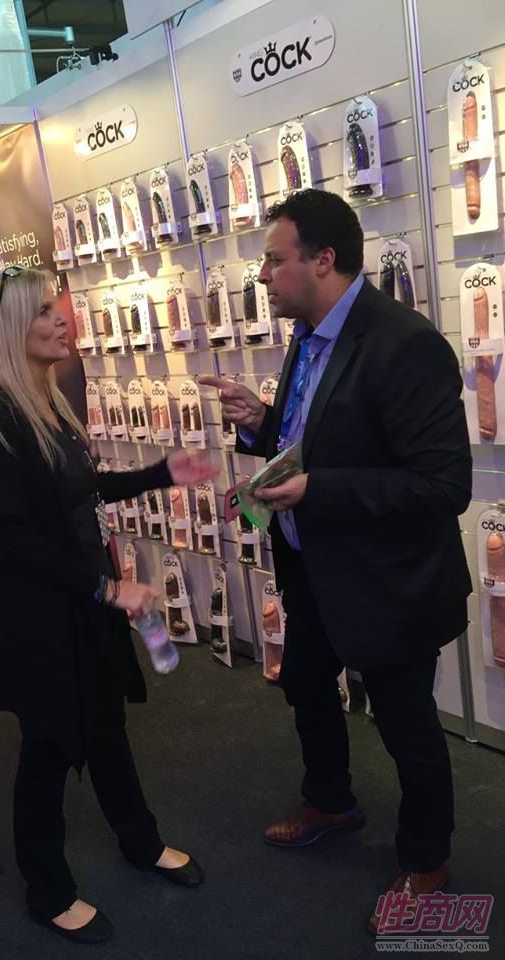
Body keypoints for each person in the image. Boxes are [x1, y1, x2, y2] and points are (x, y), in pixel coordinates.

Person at [200, 189, 472, 935]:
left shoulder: (406, 344)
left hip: (389, 584)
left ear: (323, 260)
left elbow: (443, 486)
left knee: (407, 727)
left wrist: (318, 488)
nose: (262, 276)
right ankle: (330, 801)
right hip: (312, 567)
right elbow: (315, 440)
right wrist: (261, 423)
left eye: (274, 260)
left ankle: (426, 860)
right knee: (307, 689)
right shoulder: (307, 336)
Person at [0, 265, 218, 945]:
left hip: (79, 602)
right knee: (49, 749)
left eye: (56, 307)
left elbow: (80, 488)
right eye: (43, 311)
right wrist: (105, 588)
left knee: (105, 728)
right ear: (8, 328)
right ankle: (47, 892)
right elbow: (8, 540)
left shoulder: (42, 400)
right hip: (41, 620)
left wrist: (160, 473)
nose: (61, 319)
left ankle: (141, 842)